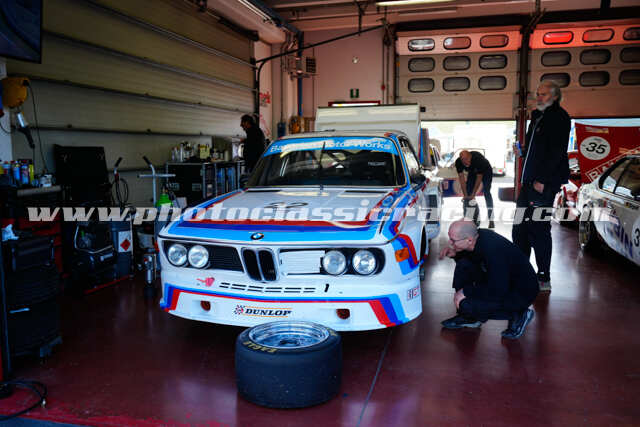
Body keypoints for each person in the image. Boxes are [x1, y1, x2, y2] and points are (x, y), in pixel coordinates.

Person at [512, 80, 570, 292]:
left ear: (555, 96)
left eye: (544, 94)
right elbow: (535, 148)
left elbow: (556, 152)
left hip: (543, 185)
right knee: (519, 228)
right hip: (528, 183)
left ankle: (543, 277)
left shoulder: (559, 117)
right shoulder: (537, 117)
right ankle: (521, 271)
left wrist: (542, 180)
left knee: (539, 229)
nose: (539, 97)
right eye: (538, 94)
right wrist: (522, 151)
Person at [439, 220, 539, 339]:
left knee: (466, 304)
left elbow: (497, 289)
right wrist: (456, 254)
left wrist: (466, 292)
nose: (450, 243)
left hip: (521, 292)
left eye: (453, 240)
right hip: (504, 282)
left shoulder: (493, 250)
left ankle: (519, 313)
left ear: (469, 240)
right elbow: (475, 259)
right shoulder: (479, 237)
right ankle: (469, 318)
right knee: (464, 265)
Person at [455, 150, 495, 228]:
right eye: (463, 160)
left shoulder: (478, 160)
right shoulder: (458, 162)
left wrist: (473, 194)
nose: (465, 162)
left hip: (486, 170)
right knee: (468, 194)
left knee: (486, 192)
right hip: (473, 172)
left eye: (467, 159)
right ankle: (470, 219)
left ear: (470, 156)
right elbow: (461, 179)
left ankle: (491, 219)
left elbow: (479, 179)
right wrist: (465, 195)